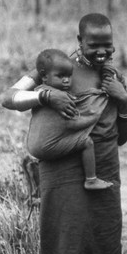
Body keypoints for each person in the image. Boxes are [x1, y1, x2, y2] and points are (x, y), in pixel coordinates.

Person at [2, 13, 127, 254]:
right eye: (93, 45)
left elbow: (121, 137)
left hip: (105, 170)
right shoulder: (56, 67)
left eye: (107, 45)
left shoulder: (113, 77)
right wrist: (45, 96)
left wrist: (122, 100)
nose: (101, 52)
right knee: (68, 238)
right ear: (79, 41)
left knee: (103, 236)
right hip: (64, 171)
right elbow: (8, 98)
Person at [27, 48, 113, 190]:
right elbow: (73, 122)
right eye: (60, 76)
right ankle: (91, 180)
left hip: (33, 145)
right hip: (46, 147)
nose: (66, 80)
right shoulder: (59, 97)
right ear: (44, 76)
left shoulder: (39, 91)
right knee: (86, 142)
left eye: (69, 76)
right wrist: (97, 109)